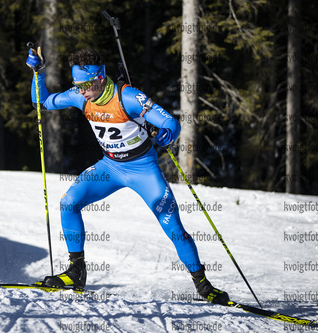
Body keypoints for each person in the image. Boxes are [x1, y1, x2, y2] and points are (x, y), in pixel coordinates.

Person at [26, 47, 229, 305]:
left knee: (173, 226)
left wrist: (169, 132)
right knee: (69, 202)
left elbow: (170, 121)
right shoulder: (80, 96)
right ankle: (76, 272)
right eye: (77, 85)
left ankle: (203, 285)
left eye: (86, 84)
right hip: (110, 167)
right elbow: (41, 102)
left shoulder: (129, 97)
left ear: (100, 77)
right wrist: (38, 72)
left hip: (143, 169)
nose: (81, 90)